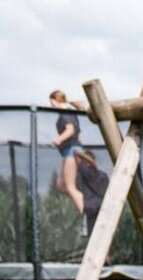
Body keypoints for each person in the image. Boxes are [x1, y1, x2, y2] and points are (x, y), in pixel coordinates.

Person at [49, 90, 87, 229]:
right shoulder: (71, 112)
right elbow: (79, 134)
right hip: (71, 151)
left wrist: (58, 139)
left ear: (55, 100)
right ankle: (84, 203)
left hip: (72, 151)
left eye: (51, 101)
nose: (51, 104)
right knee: (61, 185)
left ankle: (87, 215)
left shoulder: (65, 112)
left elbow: (70, 130)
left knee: (70, 187)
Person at [73, 149, 110, 238]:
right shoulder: (102, 176)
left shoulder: (99, 176)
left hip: (93, 211)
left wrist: (78, 154)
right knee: (99, 238)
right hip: (97, 212)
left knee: (96, 238)